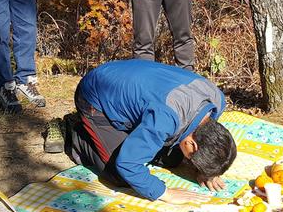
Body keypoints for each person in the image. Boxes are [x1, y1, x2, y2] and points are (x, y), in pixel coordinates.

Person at [47, 59, 236, 203]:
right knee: (120, 175)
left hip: (129, 82)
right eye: (193, 158)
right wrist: (165, 193)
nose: (191, 162)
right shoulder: (166, 119)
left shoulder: (217, 101)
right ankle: (74, 130)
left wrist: (206, 169)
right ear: (193, 143)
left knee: (172, 159)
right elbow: (128, 164)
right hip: (96, 96)